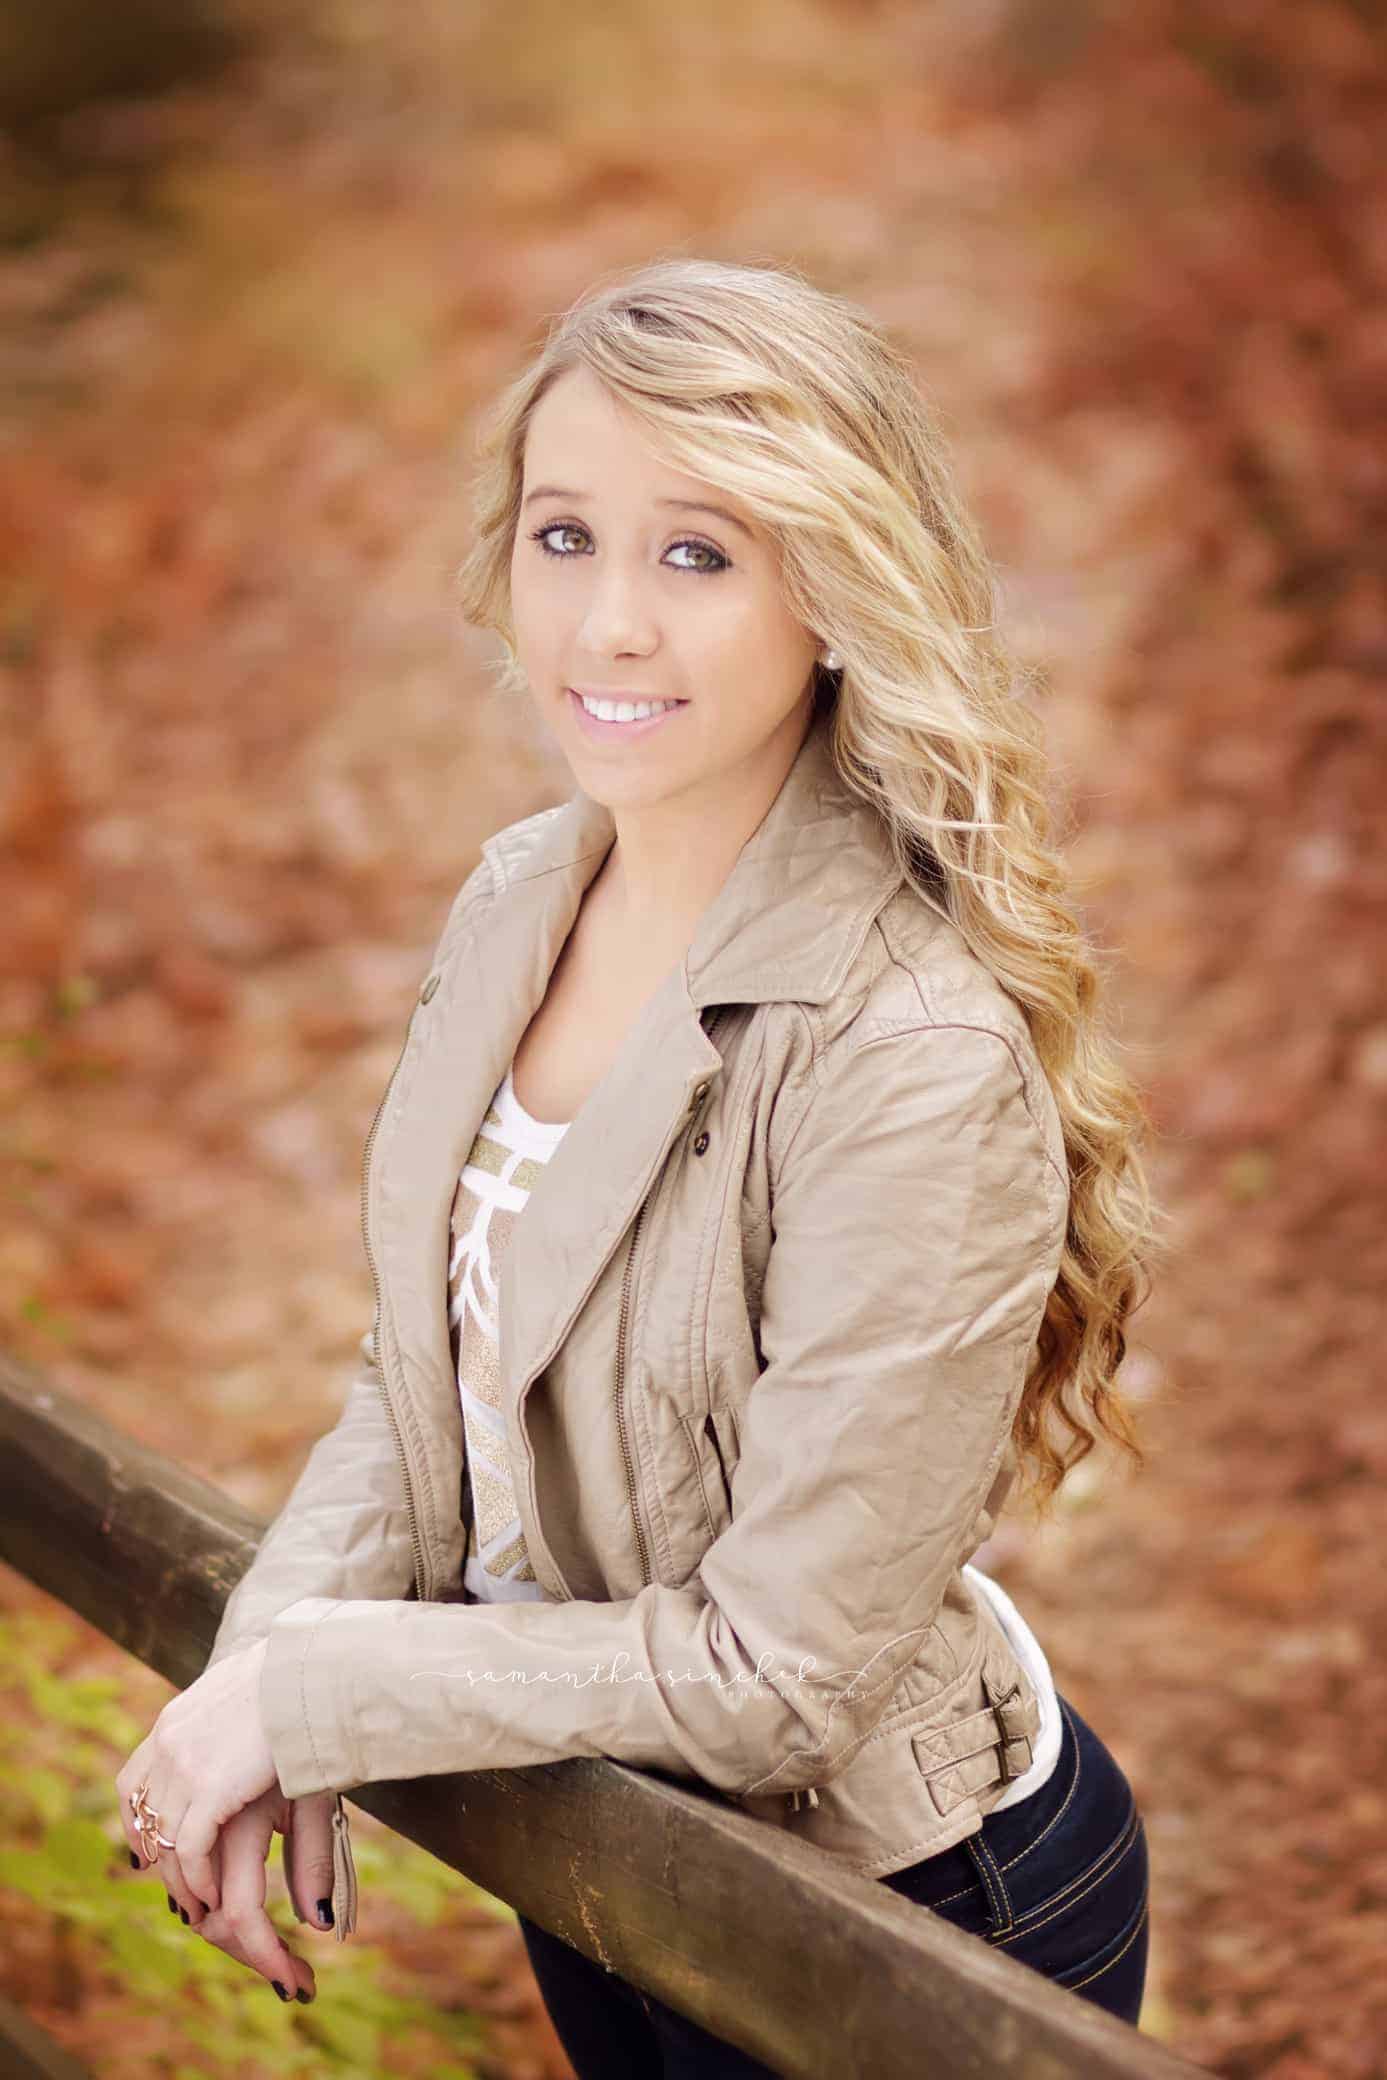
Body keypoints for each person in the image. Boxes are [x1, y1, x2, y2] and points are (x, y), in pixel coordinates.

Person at [115, 257, 1161, 2066]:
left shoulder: (909, 1055)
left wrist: (329, 1697)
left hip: (899, 1912)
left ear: (836, 591)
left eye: (698, 554)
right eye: (562, 536)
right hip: (600, 1843)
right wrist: (261, 1669)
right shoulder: (526, 893)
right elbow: (429, 1363)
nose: (605, 624)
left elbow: (777, 1685)